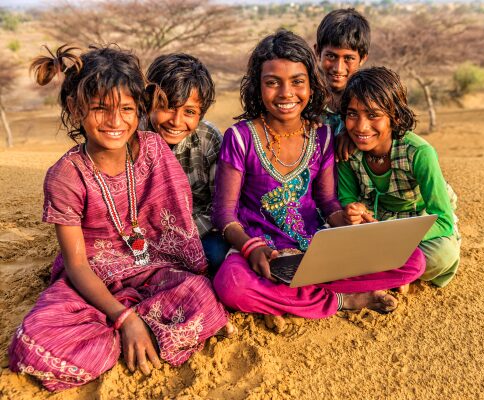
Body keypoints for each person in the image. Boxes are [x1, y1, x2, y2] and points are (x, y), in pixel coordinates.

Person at [9, 45, 232, 392]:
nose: (115, 122)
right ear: (75, 108)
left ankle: (126, 333)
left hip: (153, 265)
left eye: (126, 109)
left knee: (202, 295)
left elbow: (178, 230)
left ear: (138, 109)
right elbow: (78, 265)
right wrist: (124, 317)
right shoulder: (66, 176)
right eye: (100, 109)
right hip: (95, 275)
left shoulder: (154, 150)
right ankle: (136, 330)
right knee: (34, 343)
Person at [211, 30, 425, 325]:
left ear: (312, 84)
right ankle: (342, 299)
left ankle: (292, 297)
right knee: (231, 286)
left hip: (314, 250)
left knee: (413, 261)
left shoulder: (322, 136)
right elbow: (223, 213)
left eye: (298, 82)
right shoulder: (240, 137)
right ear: (257, 87)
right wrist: (251, 247)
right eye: (273, 82)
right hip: (262, 253)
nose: (286, 93)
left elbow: (327, 202)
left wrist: (350, 224)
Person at [338, 67, 460, 288]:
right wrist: (354, 212)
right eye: (352, 114)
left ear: (394, 116)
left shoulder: (419, 153)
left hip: (417, 225)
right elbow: (347, 199)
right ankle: (399, 275)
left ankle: (392, 273)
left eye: (373, 114)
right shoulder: (348, 151)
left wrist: (393, 238)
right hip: (376, 225)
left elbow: (442, 221)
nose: (361, 126)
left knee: (442, 254)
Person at [146, 53, 229, 274]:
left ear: (201, 114)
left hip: (196, 230)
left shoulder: (208, 139)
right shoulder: (133, 137)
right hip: (144, 233)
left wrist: (183, 235)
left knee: (218, 255)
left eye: (189, 112)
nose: (176, 121)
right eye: (168, 107)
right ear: (148, 101)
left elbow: (218, 205)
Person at [314, 8, 369, 160]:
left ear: (363, 58)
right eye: (331, 56)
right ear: (317, 52)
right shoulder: (305, 102)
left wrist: (353, 134)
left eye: (349, 58)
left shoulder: (371, 102)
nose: (338, 68)